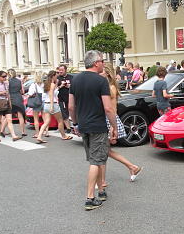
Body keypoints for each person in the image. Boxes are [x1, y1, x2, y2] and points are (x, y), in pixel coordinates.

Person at [69, 51, 117, 210]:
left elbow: (70, 106)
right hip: (98, 126)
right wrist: (114, 127)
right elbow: (108, 108)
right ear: (96, 63)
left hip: (83, 125)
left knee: (95, 159)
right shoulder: (100, 81)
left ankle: (101, 191)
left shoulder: (75, 80)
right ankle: (90, 198)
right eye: (102, 61)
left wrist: (75, 123)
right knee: (96, 161)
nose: (103, 63)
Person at [99, 65, 142, 187]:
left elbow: (112, 108)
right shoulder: (108, 86)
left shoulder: (110, 87)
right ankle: (131, 167)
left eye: (101, 72)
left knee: (104, 151)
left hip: (109, 120)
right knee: (105, 151)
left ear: (107, 74)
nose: (98, 74)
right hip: (109, 120)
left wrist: (113, 127)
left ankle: (131, 167)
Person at [35, 71, 73, 143]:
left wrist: (59, 86)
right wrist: (52, 106)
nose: (57, 77)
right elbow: (51, 95)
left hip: (46, 104)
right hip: (53, 104)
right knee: (60, 120)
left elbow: (53, 92)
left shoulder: (47, 84)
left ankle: (39, 136)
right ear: (53, 76)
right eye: (56, 75)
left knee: (46, 122)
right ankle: (64, 136)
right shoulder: (52, 84)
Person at [0, 71, 19, 142]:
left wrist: (10, 103)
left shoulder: (6, 83)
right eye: (3, 76)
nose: (5, 78)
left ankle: (13, 135)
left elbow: (8, 93)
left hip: (6, 102)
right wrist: (1, 93)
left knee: (9, 120)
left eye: (5, 76)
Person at [8, 69, 27, 137]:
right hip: (18, 98)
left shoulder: (8, 81)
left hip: (11, 98)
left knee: (7, 116)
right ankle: (23, 131)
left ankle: (2, 131)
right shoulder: (19, 81)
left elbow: (7, 91)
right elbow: (23, 91)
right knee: (20, 116)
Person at [27, 71, 45, 138]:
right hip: (43, 101)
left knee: (36, 119)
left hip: (36, 102)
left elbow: (30, 94)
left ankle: (37, 133)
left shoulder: (33, 85)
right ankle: (46, 132)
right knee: (45, 118)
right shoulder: (44, 84)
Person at [57, 64, 74, 131]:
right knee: (64, 113)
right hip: (62, 99)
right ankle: (68, 128)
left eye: (62, 70)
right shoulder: (58, 78)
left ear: (65, 70)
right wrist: (61, 86)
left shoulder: (71, 77)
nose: (60, 71)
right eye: (59, 70)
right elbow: (54, 89)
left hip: (71, 98)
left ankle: (74, 126)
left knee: (72, 112)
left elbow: (75, 86)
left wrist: (69, 86)